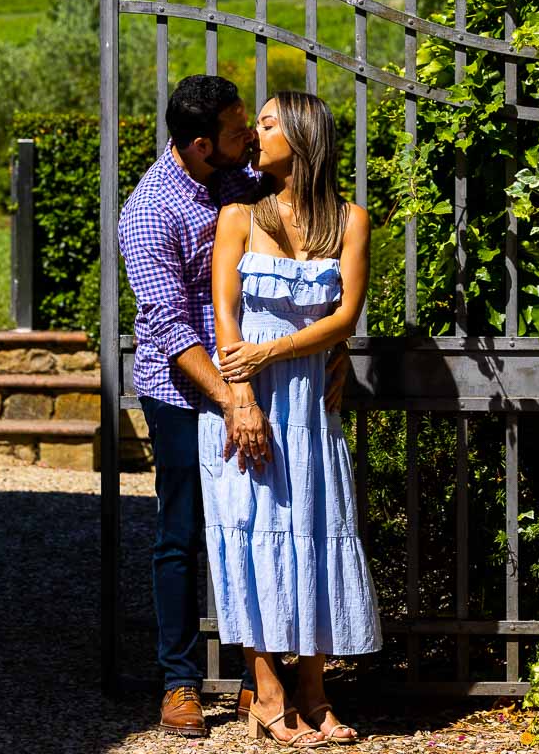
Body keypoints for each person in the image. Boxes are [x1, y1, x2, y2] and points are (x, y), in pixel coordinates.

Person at [119, 76, 350, 738]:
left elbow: (312, 253)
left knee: (263, 522)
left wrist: (337, 343)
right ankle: (180, 682)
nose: (250, 136)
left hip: (264, 378)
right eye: (235, 131)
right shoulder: (150, 212)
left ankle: (262, 682)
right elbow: (169, 326)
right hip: (185, 390)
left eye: (251, 123)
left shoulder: (241, 175)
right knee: (183, 533)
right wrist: (229, 399)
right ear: (198, 146)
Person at [200, 90, 381, 748]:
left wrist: (281, 350)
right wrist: (242, 391)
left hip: (309, 404)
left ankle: (314, 690)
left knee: (316, 536)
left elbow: (344, 319)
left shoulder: (351, 222)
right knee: (249, 538)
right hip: (248, 403)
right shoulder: (238, 216)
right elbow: (225, 317)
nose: (256, 134)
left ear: (302, 138)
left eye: (269, 124)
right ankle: (267, 694)